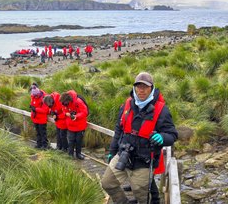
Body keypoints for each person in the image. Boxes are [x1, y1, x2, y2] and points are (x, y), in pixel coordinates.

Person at [101, 72, 178, 204]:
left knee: (142, 196)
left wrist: (162, 137)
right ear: (134, 87)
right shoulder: (127, 105)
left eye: (145, 86)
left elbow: (173, 135)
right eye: (138, 86)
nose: (141, 90)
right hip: (123, 155)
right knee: (107, 183)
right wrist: (112, 152)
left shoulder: (161, 110)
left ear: (151, 88)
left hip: (144, 161)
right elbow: (119, 129)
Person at [60, 90, 88, 160]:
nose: (64, 105)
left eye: (65, 104)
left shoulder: (78, 101)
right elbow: (63, 109)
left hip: (80, 126)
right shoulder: (63, 102)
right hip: (70, 126)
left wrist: (76, 116)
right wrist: (66, 113)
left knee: (79, 141)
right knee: (71, 140)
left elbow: (85, 112)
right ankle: (70, 154)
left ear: (69, 100)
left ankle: (78, 154)